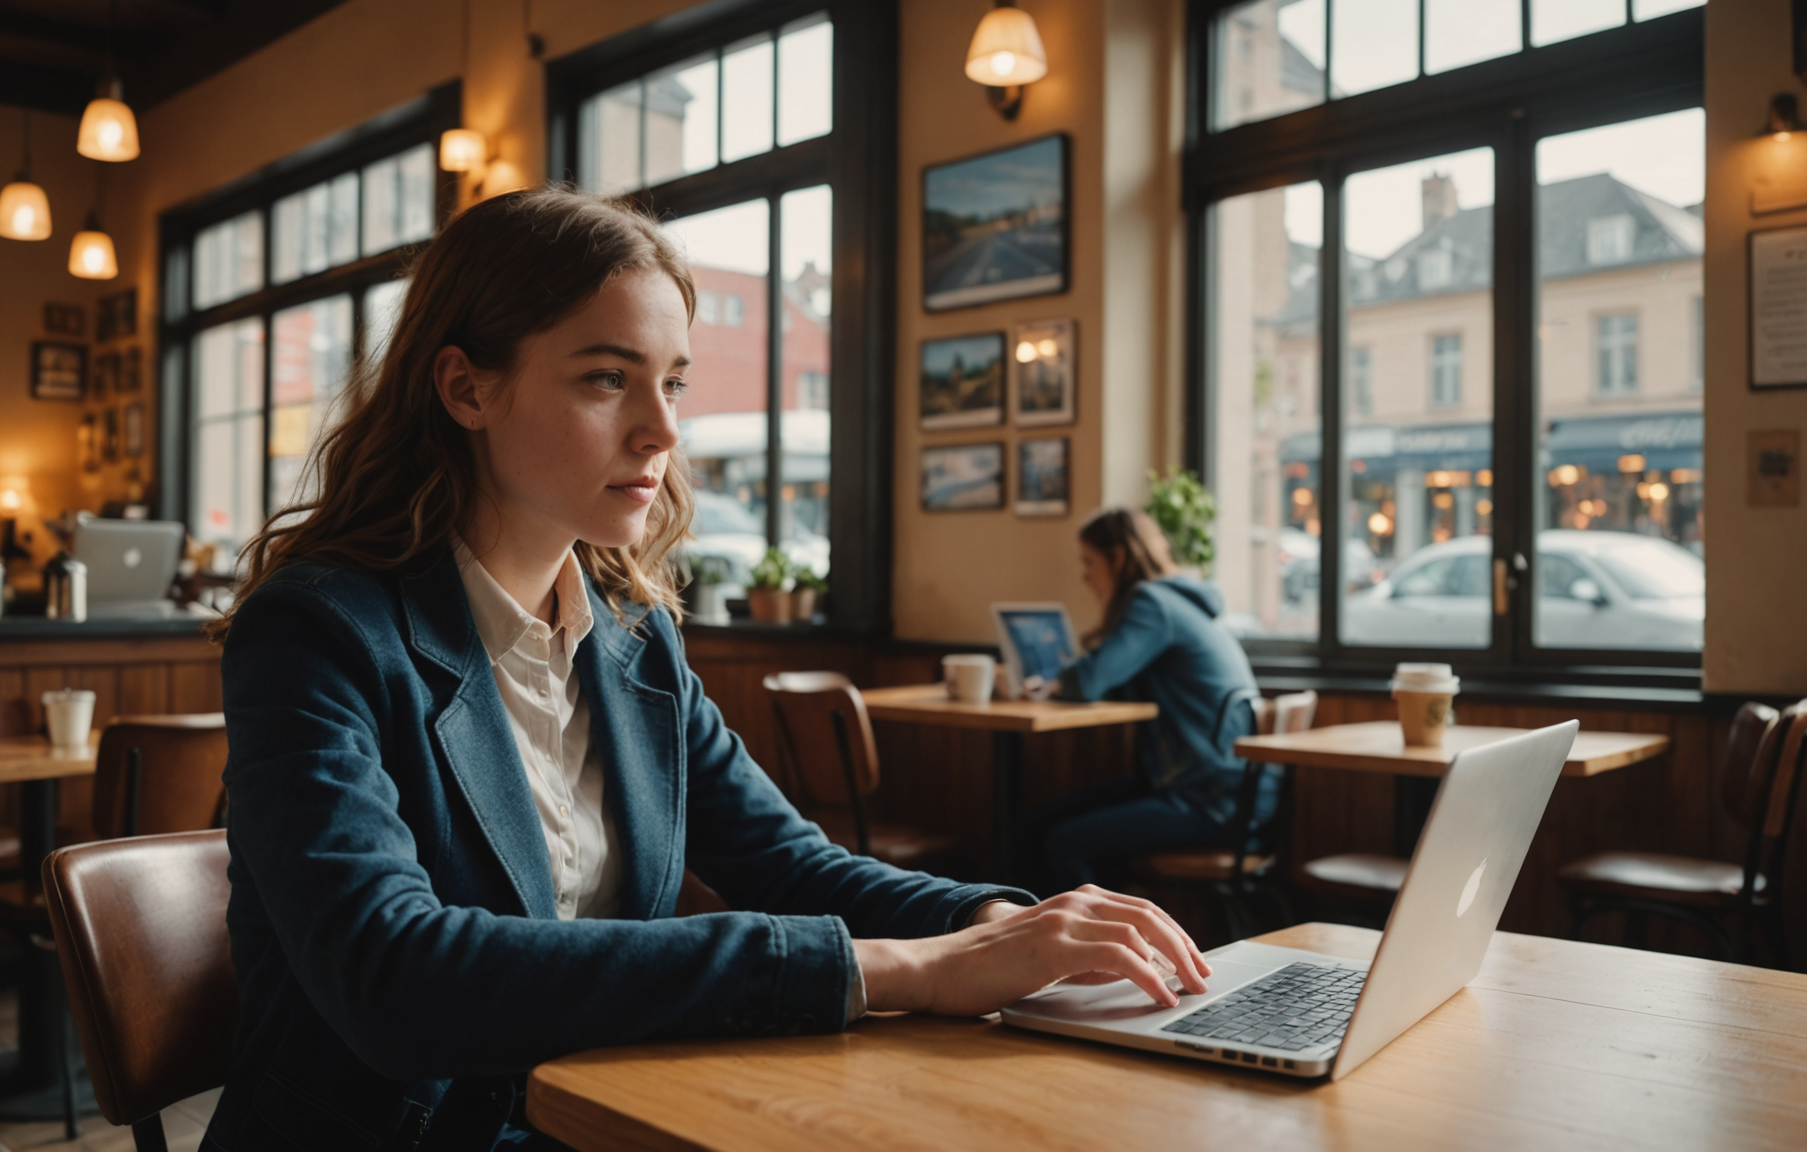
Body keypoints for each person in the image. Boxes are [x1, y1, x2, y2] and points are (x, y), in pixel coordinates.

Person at [201, 188, 1211, 1152]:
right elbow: (396, 977)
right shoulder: (317, 633)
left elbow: (787, 862)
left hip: (595, 1116)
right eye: (607, 377)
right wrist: (909, 970)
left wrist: (994, 922)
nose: (664, 429)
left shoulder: (633, 638)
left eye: (673, 380)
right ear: (466, 387)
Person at [1028, 508, 1264, 893]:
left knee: (1062, 840)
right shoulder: (1179, 603)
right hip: (1224, 792)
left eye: (1089, 561)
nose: (1084, 575)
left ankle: (1086, 949)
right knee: (1037, 823)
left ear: (1118, 557)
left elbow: (1090, 681)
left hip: (1207, 801)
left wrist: (1052, 682)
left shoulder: (1151, 603)